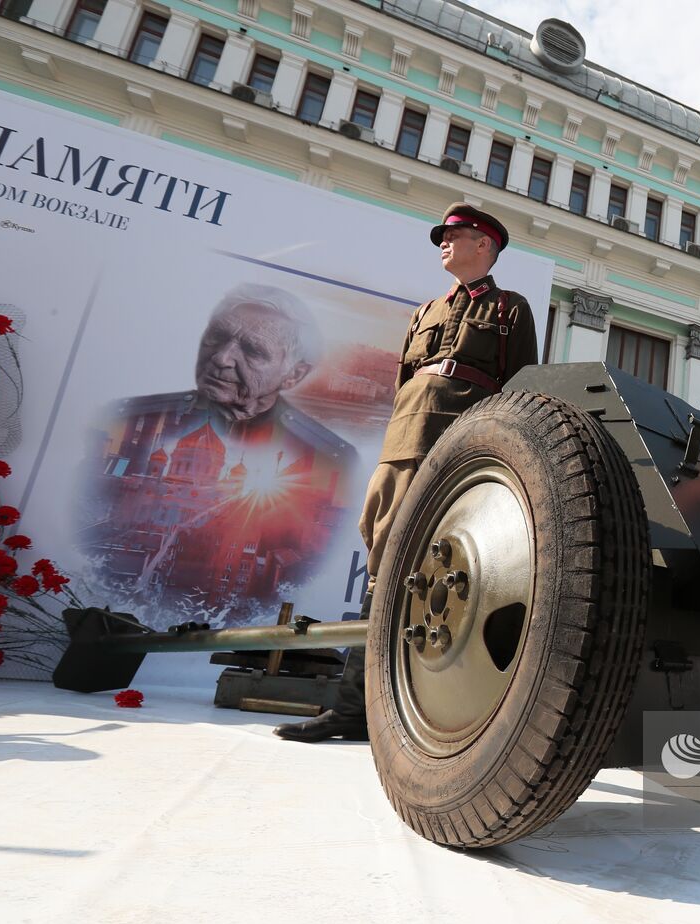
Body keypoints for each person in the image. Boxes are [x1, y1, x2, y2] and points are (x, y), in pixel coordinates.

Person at [275, 204, 537, 742]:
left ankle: (429, 710)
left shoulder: (510, 308)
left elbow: (518, 387)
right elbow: (404, 385)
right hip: (405, 441)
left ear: (484, 244)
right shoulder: (423, 313)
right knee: (384, 564)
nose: (444, 243)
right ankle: (353, 709)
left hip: (465, 445)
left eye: (455, 235)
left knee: (454, 569)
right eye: (442, 236)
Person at [87, 285, 356, 620]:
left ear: (294, 374)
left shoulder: (326, 451)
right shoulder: (133, 413)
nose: (222, 358)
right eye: (217, 337)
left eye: (254, 351)